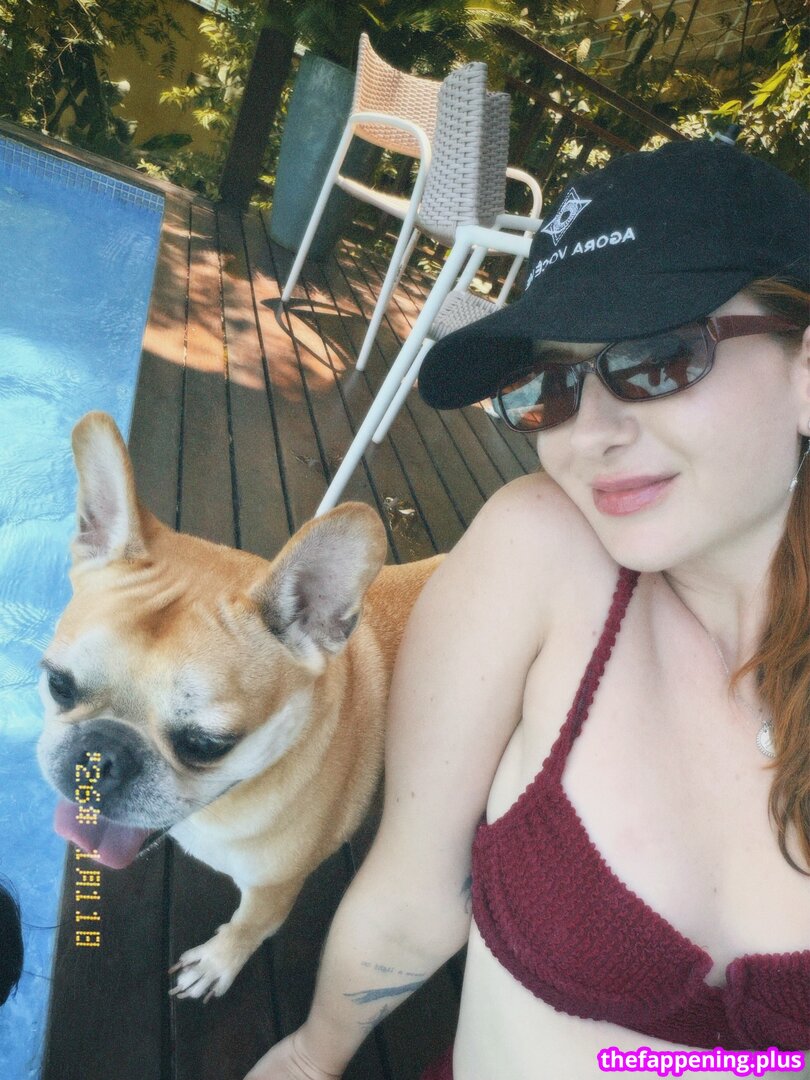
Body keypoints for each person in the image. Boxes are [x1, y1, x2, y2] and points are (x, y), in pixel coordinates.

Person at [244, 140, 810, 1079]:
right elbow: (412, 897)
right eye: (550, 385)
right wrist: (310, 1059)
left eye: (657, 355)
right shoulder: (540, 554)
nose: (589, 434)